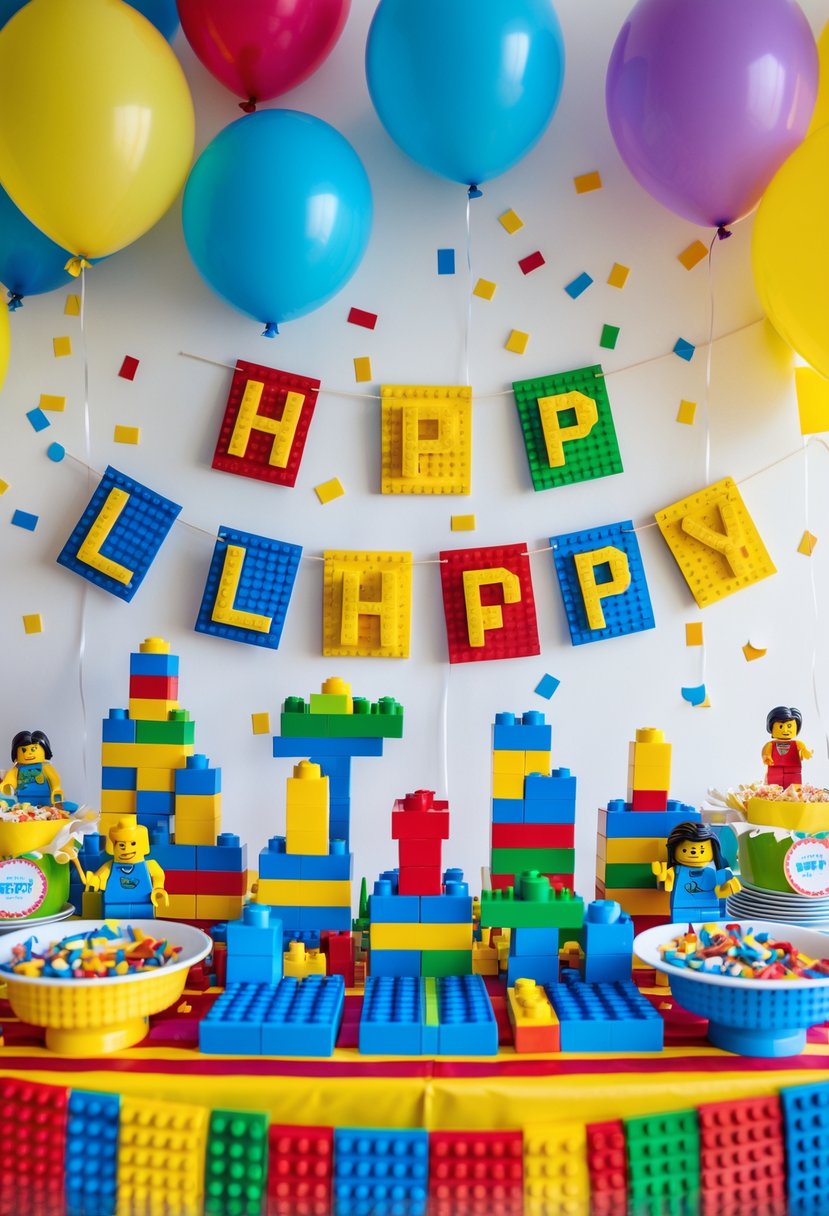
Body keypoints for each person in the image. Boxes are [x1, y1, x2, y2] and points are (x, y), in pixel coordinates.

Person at [652, 822, 741, 921]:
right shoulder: (676, 870)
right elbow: (666, 887)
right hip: (680, 911)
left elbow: (721, 893)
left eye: (702, 850)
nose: (694, 853)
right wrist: (661, 875)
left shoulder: (717, 871)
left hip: (712, 910)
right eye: (685, 850)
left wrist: (728, 889)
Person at [84, 819, 168, 918]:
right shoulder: (109, 866)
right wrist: (94, 881)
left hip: (143, 905)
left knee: (144, 922)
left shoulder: (150, 865)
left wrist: (158, 888)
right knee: (113, 924)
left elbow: (158, 876)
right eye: (121, 845)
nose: (126, 849)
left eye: (133, 844)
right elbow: (97, 877)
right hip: (114, 906)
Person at [0, 729, 62, 806]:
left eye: (33, 749)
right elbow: (11, 778)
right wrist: (8, 785)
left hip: (44, 798)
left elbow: (53, 777)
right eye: (24, 750)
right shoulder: (17, 768)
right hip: (22, 799)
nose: (29, 753)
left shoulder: (46, 766)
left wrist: (56, 787)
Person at [762, 706, 812, 789]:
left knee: (793, 787)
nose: (785, 730)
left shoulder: (798, 744)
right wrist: (766, 757)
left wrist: (806, 752)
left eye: (789, 726)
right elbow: (766, 753)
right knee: (774, 787)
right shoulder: (770, 744)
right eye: (781, 726)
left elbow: (804, 750)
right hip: (774, 768)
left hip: (793, 769)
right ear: (771, 727)